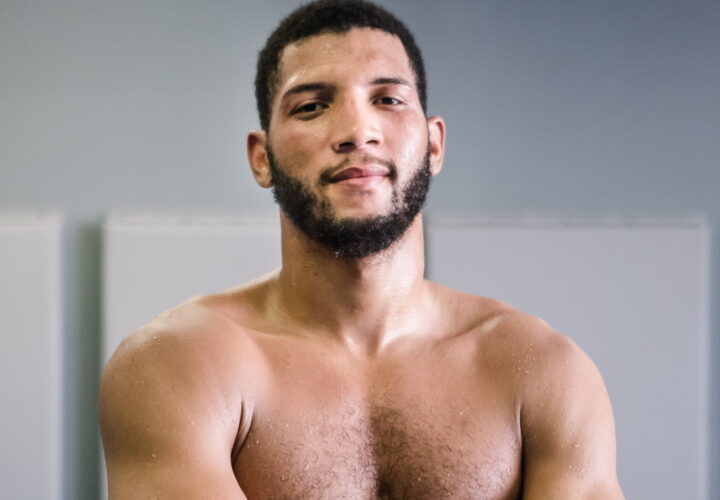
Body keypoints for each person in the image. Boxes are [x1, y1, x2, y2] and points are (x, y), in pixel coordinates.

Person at [99, 1, 625, 498]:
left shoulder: (544, 372)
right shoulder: (181, 364)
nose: (358, 131)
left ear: (434, 144)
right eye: (312, 106)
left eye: (388, 100)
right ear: (262, 158)